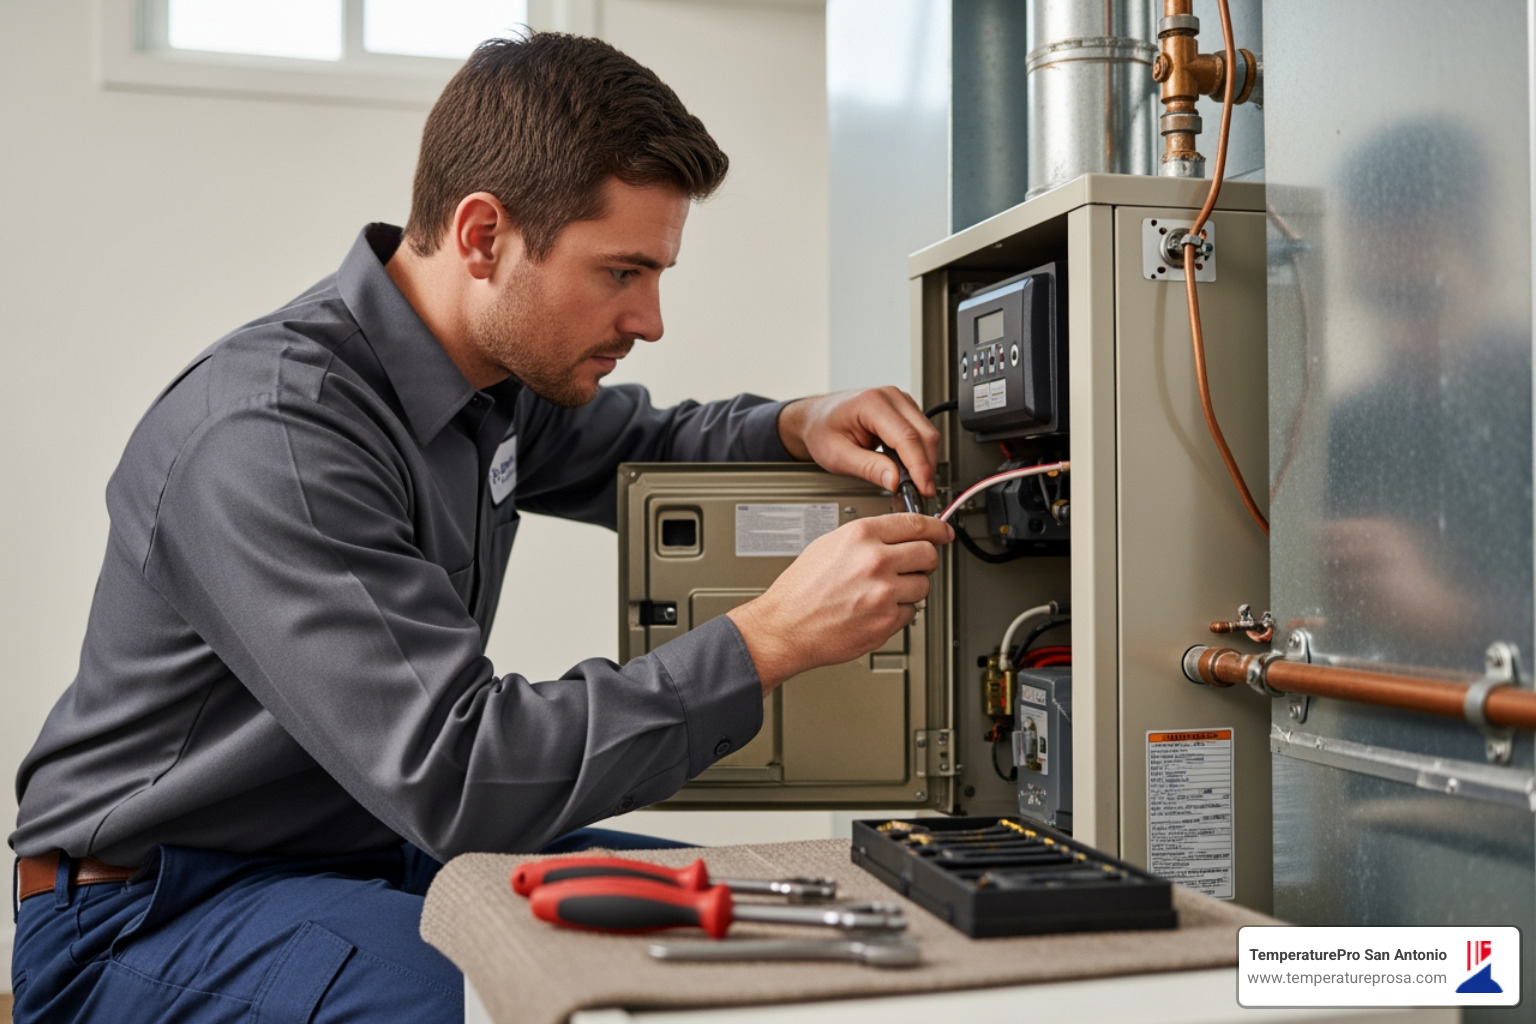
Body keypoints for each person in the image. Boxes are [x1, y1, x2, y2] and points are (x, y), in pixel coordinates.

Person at [9, 33, 951, 1023]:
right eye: (622, 272)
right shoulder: (271, 434)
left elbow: (646, 446)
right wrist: (766, 643)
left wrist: (792, 421)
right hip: (147, 915)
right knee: (539, 998)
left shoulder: (487, 384)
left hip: (370, 847)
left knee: (760, 920)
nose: (651, 319)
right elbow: (457, 769)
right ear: (483, 237)